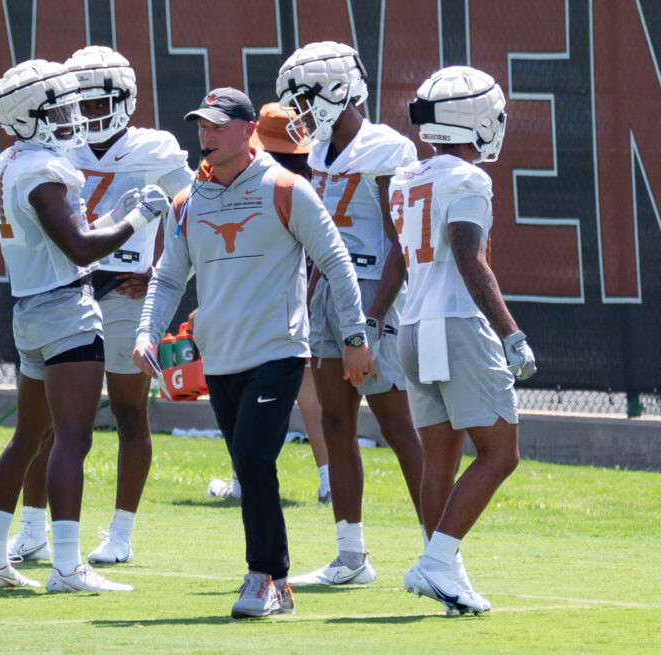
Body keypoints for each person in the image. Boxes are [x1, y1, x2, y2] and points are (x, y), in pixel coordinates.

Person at [131, 87, 373, 618]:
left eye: (218, 126)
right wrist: (148, 333)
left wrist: (355, 338)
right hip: (219, 359)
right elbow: (169, 276)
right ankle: (279, 586)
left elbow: (336, 262)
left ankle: (261, 577)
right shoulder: (188, 201)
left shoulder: (287, 188)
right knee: (247, 459)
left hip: (278, 352)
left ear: (247, 132)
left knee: (255, 459)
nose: (207, 136)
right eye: (201, 127)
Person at [0, 46, 194, 567]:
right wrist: (135, 218)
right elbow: (77, 241)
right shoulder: (43, 158)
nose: (81, 117)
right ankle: (39, 537)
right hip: (70, 288)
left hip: (117, 288)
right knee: (55, 428)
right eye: (73, 107)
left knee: (124, 412)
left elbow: (192, 214)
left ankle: (118, 533)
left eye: (94, 105)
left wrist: (160, 272)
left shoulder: (151, 148)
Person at [275, 41, 424, 586]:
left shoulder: (385, 148)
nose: (299, 110)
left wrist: (376, 316)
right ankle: (351, 556)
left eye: (305, 97)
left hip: (371, 293)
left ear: (339, 91)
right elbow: (319, 240)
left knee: (396, 424)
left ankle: (440, 548)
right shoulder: (315, 153)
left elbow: (399, 246)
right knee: (336, 421)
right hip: (327, 294)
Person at [391, 65, 537, 614]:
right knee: (500, 453)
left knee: (440, 459)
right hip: (455, 324)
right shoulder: (469, 179)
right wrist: (512, 333)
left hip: (413, 325)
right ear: (472, 119)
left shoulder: (409, 175)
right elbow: (470, 260)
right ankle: (436, 561)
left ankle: (444, 570)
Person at [205, 101, 331, 504]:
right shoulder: (309, 176)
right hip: (311, 288)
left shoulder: (267, 183)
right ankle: (329, 479)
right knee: (310, 389)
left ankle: (245, 479)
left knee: (280, 385)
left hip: (282, 295)